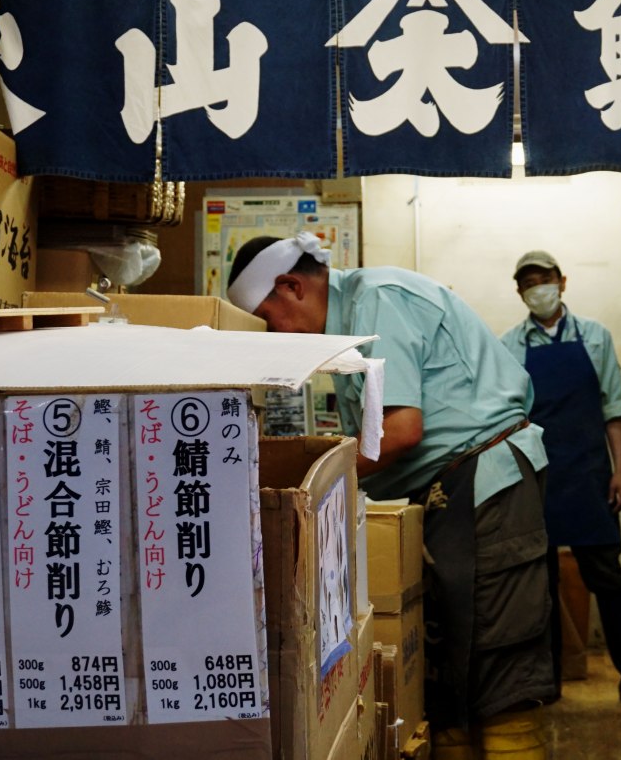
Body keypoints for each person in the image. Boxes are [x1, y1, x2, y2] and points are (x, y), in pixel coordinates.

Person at [227, 233, 555, 760]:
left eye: (269, 319)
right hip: (446, 488)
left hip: (486, 480)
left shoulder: (375, 299)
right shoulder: (346, 333)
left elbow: (400, 431)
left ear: (292, 286)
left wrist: (307, 489)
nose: (276, 335)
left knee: (498, 664)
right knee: (448, 666)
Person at [500, 250, 621, 708]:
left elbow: (613, 410)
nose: (539, 288)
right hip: (535, 478)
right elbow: (507, 419)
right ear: (519, 292)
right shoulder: (509, 346)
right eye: (529, 282)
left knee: (609, 578)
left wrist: (619, 470)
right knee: (539, 586)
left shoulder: (595, 337)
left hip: (591, 475)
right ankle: (544, 683)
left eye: (545, 278)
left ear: (563, 281)